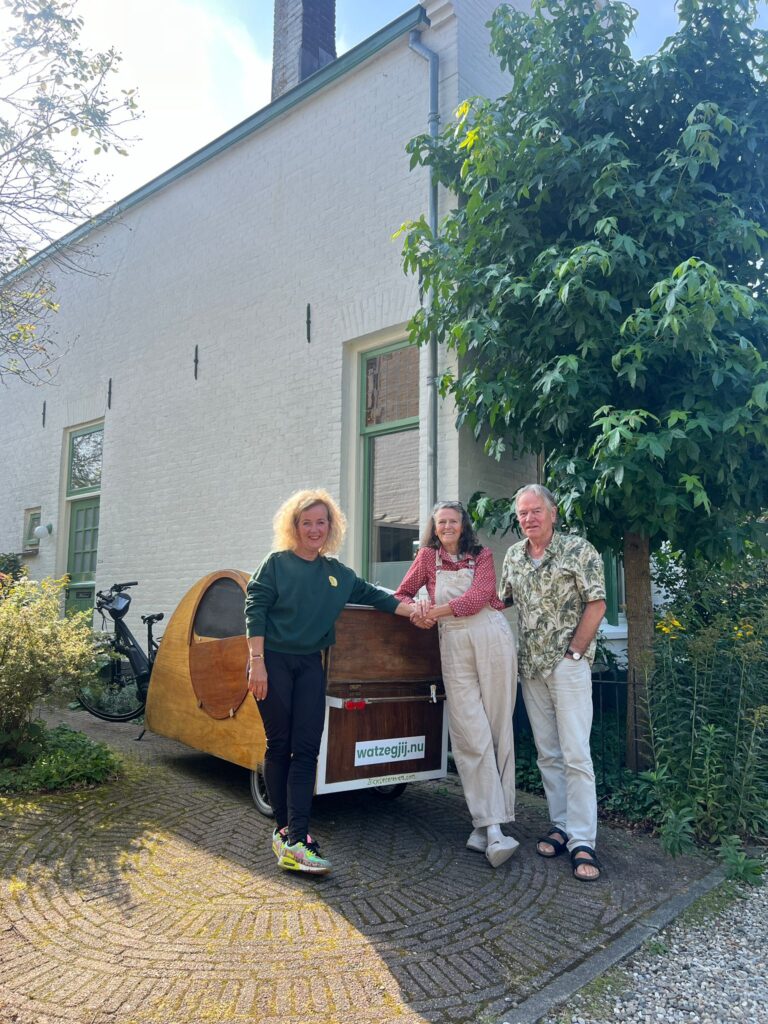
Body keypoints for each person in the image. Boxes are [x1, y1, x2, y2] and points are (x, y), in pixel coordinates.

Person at [245, 488, 418, 876]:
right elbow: (254, 607)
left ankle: (296, 838)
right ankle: (286, 831)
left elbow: (377, 597)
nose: (314, 529)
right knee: (281, 744)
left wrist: (417, 614)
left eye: (321, 522)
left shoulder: (337, 574)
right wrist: (256, 662)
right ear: (295, 526)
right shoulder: (276, 564)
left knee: (307, 749)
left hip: (309, 664)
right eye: (306, 522)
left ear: (331, 526)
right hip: (271, 660)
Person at [395, 501, 519, 868]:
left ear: (463, 525)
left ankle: (488, 825)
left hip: (490, 636)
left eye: (453, 521)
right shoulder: (426, 558)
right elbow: (401, 593)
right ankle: (493, 829)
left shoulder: (481, 555)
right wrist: (415, 613)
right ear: (434, 528)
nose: (447, 527)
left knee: (497, 729)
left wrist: (432, 611)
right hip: (451, 642)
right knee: (469, 734)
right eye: (441, 522)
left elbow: (479, 597)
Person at [499, 484, 606, 882]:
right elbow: (500, 601)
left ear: (552, 513)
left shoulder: (579, 550)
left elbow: (597, 603)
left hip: (568, 665)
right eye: (523, 513)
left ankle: (583, 841)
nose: (528, 519)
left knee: (576, 754)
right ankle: (560, 826)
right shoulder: (513, 555)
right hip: (531, 668)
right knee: (548, 753)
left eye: (535, 511)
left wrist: (575, 652)